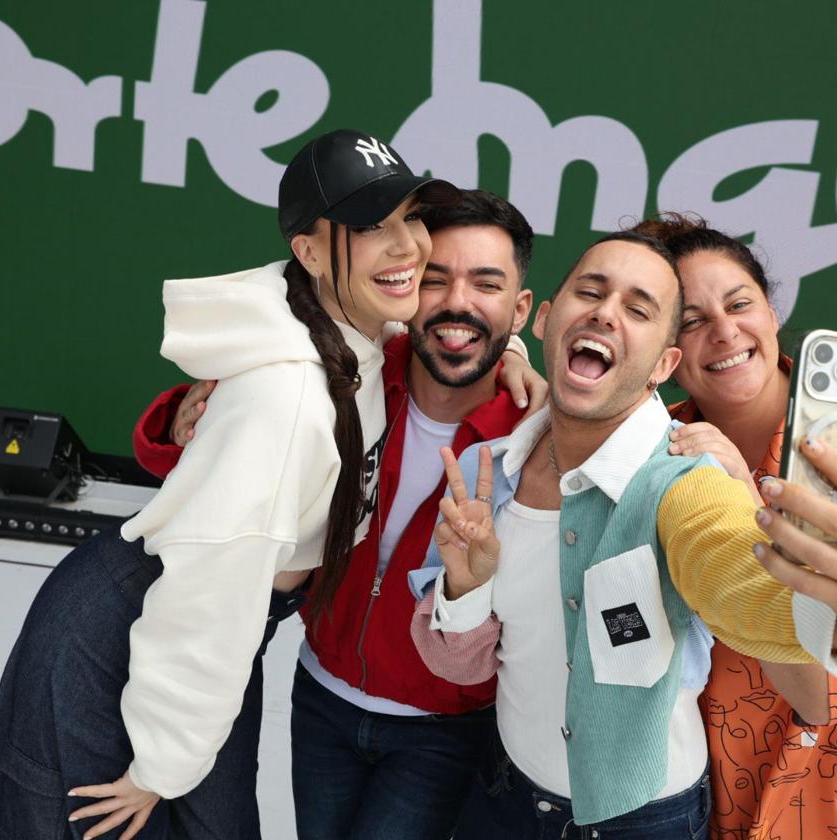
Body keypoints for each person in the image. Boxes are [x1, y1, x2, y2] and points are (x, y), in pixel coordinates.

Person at [0, 128, 460, 840]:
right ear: (310, 252)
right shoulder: (286, 400)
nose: (408, 245)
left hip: (197, 634)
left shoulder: (347, 336)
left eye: (412, 215)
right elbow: (210, 593)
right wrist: (157, 768)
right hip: (142, 633)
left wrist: (506, 363)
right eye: (370, 225)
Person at [410, 231, 837, 838]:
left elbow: (728, 563)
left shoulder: (685, 476)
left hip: (807, 785)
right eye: (592, 293)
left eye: (639, 308)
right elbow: (463, 664)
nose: (606, 312)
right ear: (546, 321)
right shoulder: (492, 470)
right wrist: (466, 587)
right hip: (511, 790)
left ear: (662, 365)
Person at [135, 189, 540, 839]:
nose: (459, 301)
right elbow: (222, 447)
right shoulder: (351, 371)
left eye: (486, 283)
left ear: (519, 308)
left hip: (441, 730)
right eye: (436, 278)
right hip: (321, 697)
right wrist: (184, 423)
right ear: (407, 285)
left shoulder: (533, 436)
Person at [648, 214, 837, 839]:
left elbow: (821, 697)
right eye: (691, 321)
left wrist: (740, 502)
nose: (723, 333)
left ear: (772, 313)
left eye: (739, 303)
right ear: (666, 351)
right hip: (697, 774)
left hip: (835, 785)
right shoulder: (659, 438)